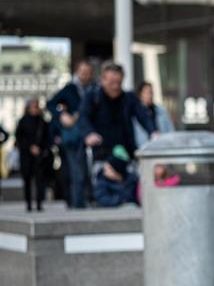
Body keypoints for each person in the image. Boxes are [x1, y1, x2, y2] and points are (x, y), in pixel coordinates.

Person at [78, 62, 157, 208]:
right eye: (111, 82)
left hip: (126, 153)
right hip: (102, 154)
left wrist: (153, 131)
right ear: (102, 80)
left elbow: (143, 116)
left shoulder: (129, 98)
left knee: (130, 189)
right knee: (104, 190)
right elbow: (83, 117)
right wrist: (89, 134)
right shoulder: (92, 97)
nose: (115, 86)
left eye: (118, 82)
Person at [47, 60, 95, 208]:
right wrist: (62, 115)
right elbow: (51, 104)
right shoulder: (70, 89)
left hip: (91, 135)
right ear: (77, 72)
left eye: (88, 72)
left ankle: (89, 201)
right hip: (75, 138)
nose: (85, 75)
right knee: (77, 173)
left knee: (90, 172)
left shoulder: (94, 89)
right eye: (82, 72)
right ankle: (77, 204)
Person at [15, 99, 52, 212]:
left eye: (36, 107)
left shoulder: (42, 122)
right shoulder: (23, 121)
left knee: (40, 180)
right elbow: (19, 139)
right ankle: (29, 204)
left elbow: (47, 138)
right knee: (27, 180)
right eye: (33, 107)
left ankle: (39, 203)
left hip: (39, 157)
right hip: (26, 156)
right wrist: (30, 147)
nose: (35, 109)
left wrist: (41, 149)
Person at [133, 81, 174, 150]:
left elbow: (170, 131)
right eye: (147, 93)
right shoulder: (134, 113)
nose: (150, 96)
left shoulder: (161, 111)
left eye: (151, 93)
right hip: (143, 151)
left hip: (162, 149)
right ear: (140, 95)